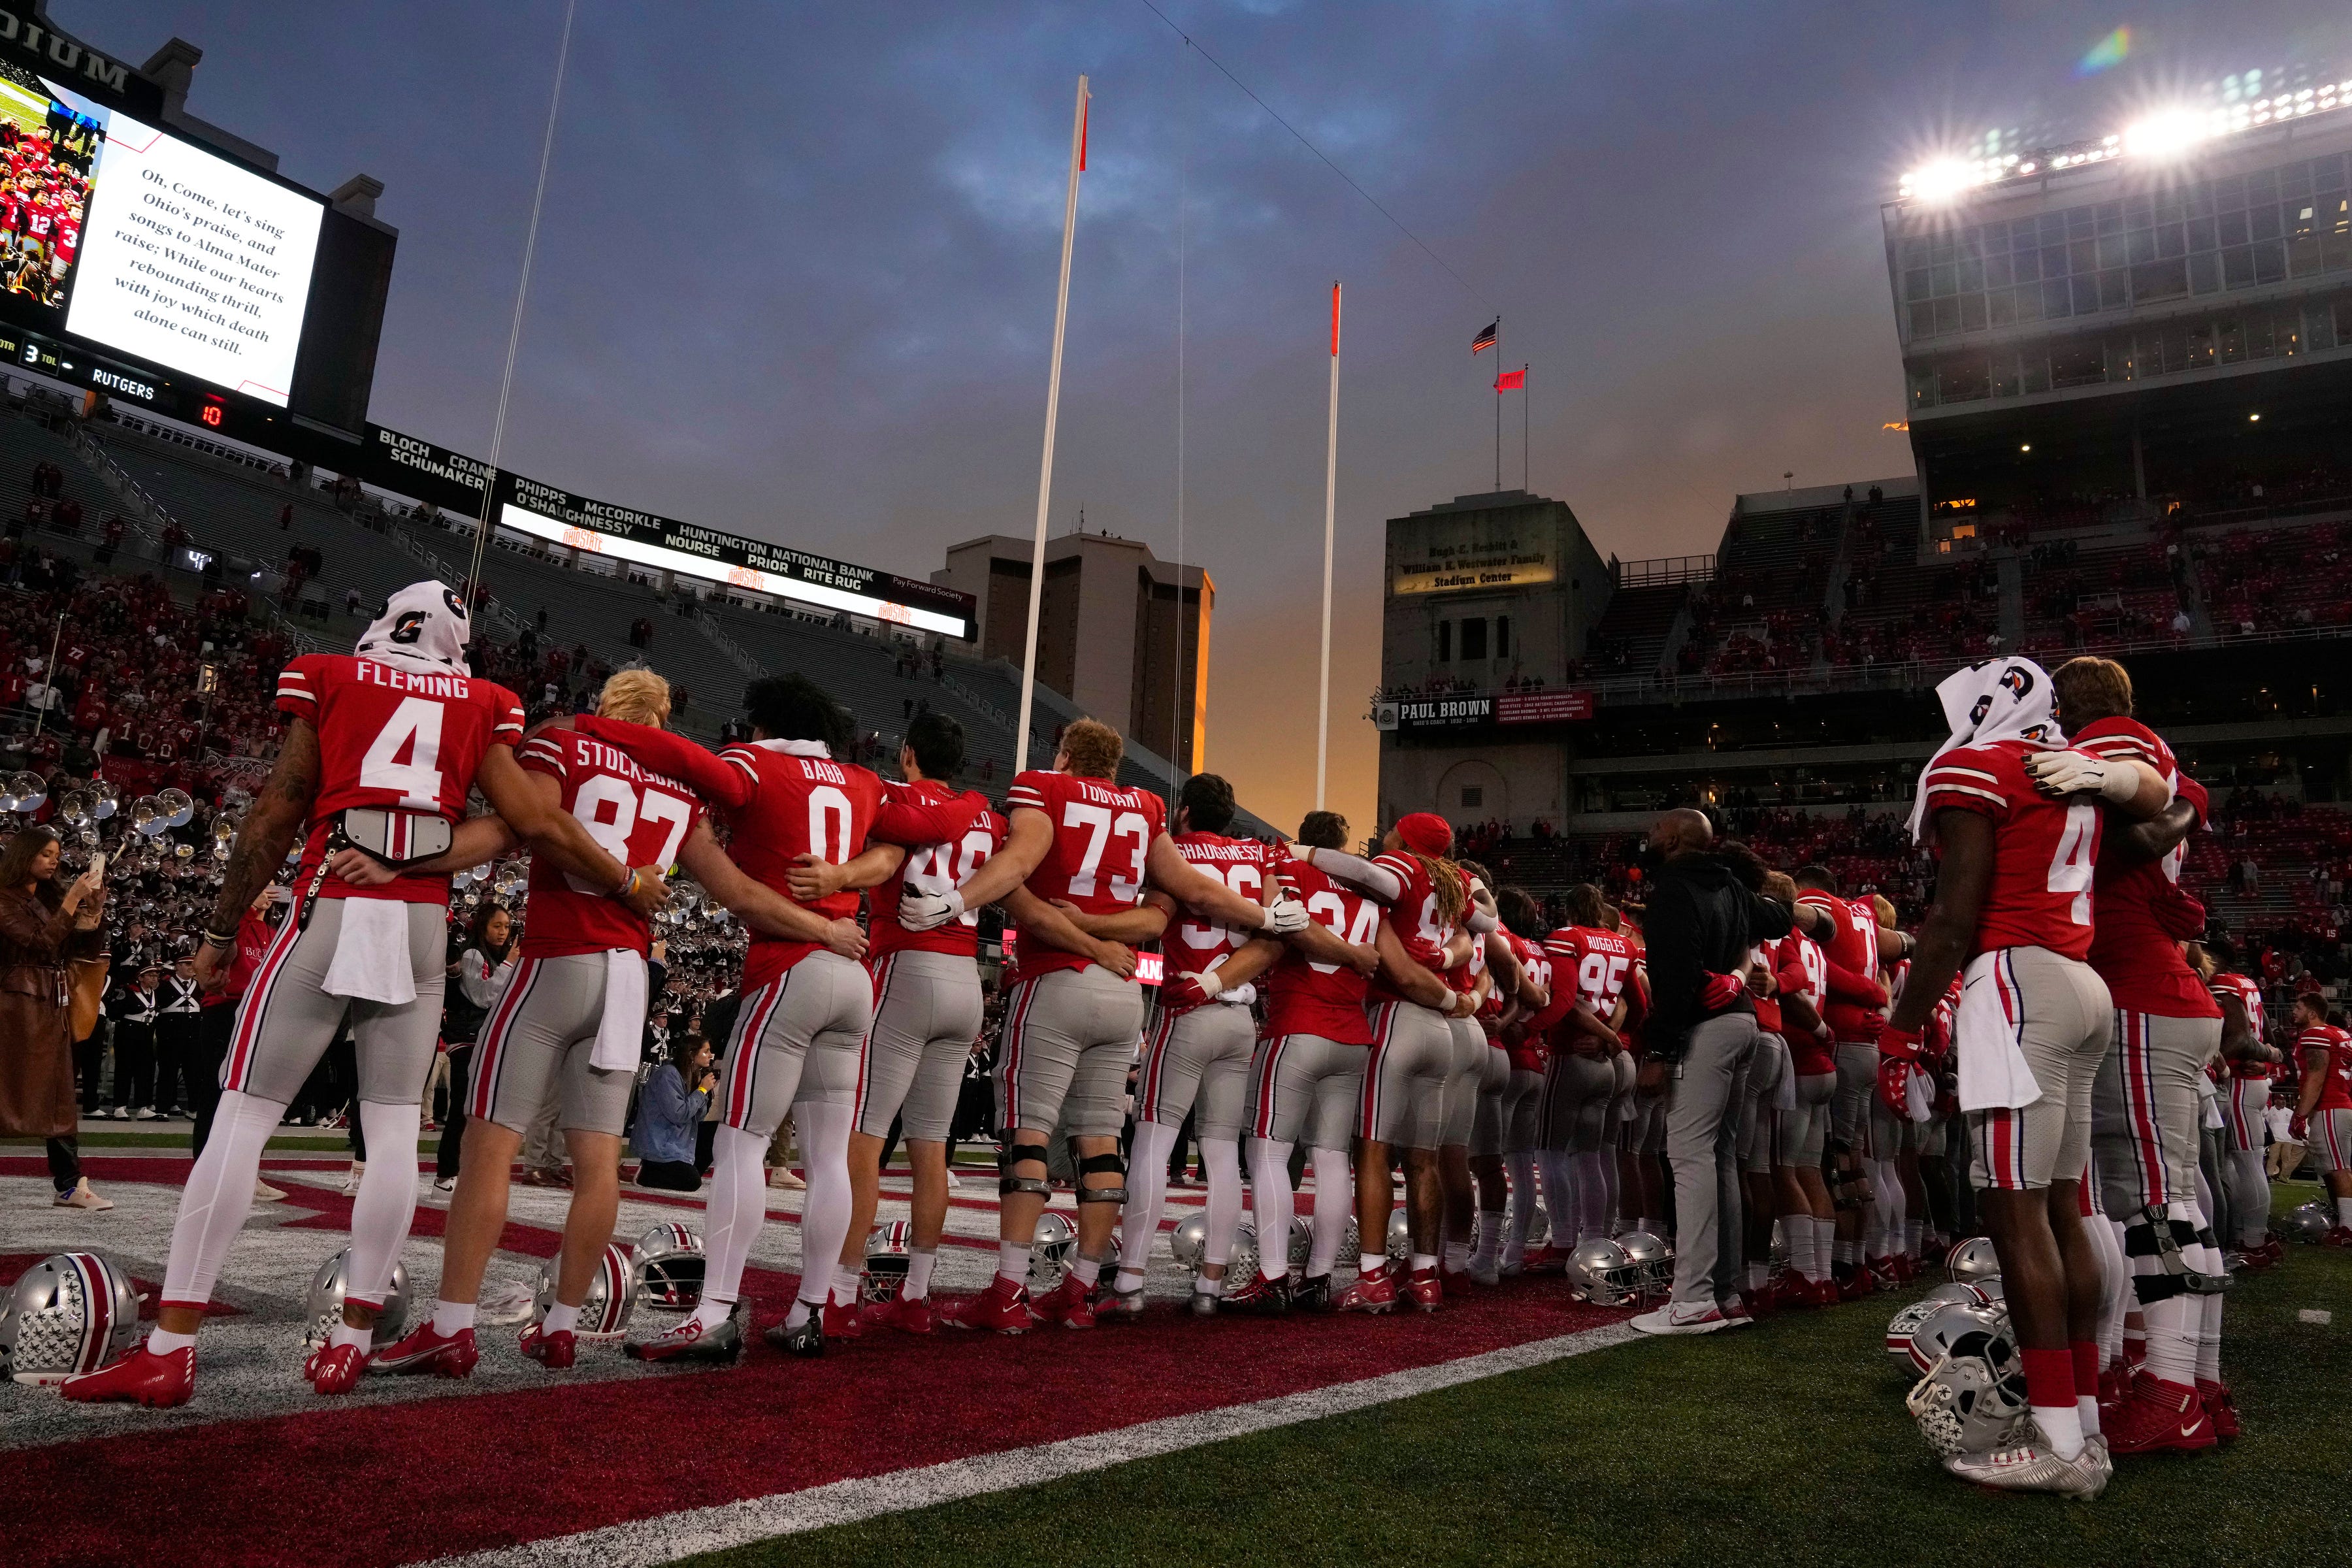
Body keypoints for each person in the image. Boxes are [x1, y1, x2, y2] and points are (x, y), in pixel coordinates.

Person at [64, 581, 661, 1408]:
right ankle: (352, 1340)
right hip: (419, 925)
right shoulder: (484, 700)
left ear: (386, 622)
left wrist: (217, 931)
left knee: (241, 1117)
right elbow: (531, 822)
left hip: (334, 905)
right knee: (390, 1136)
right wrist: (617, 879)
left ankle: (172, 1347)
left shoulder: (335, 675)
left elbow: (276, 814)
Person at [372, 668, 782, 1375]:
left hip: (560, 957)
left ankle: (452, 1325)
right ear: (662, 716)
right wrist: (824, 924)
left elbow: (526, 824)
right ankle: (563, 1326)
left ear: (606, 707)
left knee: (488, 1146)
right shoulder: (681, 792)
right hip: (627, 975)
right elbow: (739, 891)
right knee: (599, 1165)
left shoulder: (567, 743)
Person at [570, 672, 980, 1360]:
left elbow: (681, 761)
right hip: (853, 976)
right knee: (828, 1161)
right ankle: (812, 1310)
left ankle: (715, 1312)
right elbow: (937, 824)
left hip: (788, 967)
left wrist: (585, 727)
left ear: (760, 723)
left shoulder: (752, 765)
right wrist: (857, 872)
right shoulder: (860, 780)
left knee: (740, 1144)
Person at [896, 717, 1304, 1332]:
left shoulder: (1044, 788)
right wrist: (1266, 916)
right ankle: (1083, 1289)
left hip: (1055, 980)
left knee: (1028, 1134)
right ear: (1114, 766)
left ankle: (1009, 1290)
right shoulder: (1143, 806)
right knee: (1101, 1139)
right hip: (1121, 994)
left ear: (1064, 754)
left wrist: (959, 900)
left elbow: (1021, 863)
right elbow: (1193, 890)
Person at [1878, 657, 2164, 1496]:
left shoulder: (1981, 766)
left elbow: (1952, 920)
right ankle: (2081, 1421)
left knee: (2014, 1214)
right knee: (2063, 1207)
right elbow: (2163, 807)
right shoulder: (2074, 773)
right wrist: (2114, 773)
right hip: (2081, 983)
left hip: (2017, 986)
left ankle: (2060, 1442)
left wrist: (1900, 1034)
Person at [785, 711, 1013, 1335]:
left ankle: (840, 1292)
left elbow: (884, 857)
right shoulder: (986, 815)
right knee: (931, 1147)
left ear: (909, 753)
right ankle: (915, 1294)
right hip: (967, 979)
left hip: (906, 970)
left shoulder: (901, 801)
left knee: (863, 1138)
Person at [2056, 656, 2234, 1450]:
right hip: (2160, 987)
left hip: (2137, 991)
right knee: (2179, 1199)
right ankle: (2195, 1379)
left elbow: (2135, 814)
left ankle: (2170, 1389)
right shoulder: (2165, 760)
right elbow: (2172, 812)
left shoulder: (2110, 742)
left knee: (2153, 1203)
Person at [1632, 811, 1821, 1333]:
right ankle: (1728, 1289)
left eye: (1654, 830)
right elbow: (1780, 918)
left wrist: (1657, 1054)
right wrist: (1741, 971)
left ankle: (1693, 1298)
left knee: (1690, 1157)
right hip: (1745, 1028)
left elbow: (1674, 979)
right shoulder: (1733, 885)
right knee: (1719, 1161)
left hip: (1705, 1029)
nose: (1649, 837)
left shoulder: (1672, 888)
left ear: (1671, 838)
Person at [1231, 810, 1382, 1313]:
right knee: (1333, 1157)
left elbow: (1292, 928)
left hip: (1300, 1024)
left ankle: (1274, 1278)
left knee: (1269, 1152)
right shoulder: (1370, 891)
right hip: (1353, 1033)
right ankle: (1319, 1279)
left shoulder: (1291, 869)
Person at [0, 824, 109, 1210]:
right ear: (23, 855)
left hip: (51, 1000)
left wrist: (92, 914)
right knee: (16, 1088)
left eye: (56, 855)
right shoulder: (4, 898)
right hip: (16, 1004)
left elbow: (79, 950)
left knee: (60, 1090)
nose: (54, 860)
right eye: (46, 853)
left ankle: (70, 1182)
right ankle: (68, 1182)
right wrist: (71, 901)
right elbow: (39, 942)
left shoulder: (48, 898)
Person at [434, 904, 515, 1190]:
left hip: (487, 1039)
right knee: (462, 1108)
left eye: (506, 926)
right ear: (483, 926)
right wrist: (509, 965)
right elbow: (481, 997)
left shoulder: (499, 956)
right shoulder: (472, 954)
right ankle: (445, 1176)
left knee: (485, 1111)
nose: (503, 932)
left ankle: (471, 1173)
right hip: (467, 1039)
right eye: (497, 926)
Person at [2291, 994, 2352, 1243]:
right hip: (2338, 1105)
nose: (2293, 1011)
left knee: (2338, 1170)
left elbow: (2317, 1075)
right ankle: (2344, 1221)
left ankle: (2348, 1228)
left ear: (2313, 1013)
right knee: (2332, 1168)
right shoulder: (2338, 1034)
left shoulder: (2316, 1034)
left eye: (2298, 1007)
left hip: (2330, 1107)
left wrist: (2300, 1114)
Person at [636, 1032, 715, 1192]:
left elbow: (699, 1117)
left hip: (678, 1141)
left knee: (716, 1131)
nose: (711, 1056)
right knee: (692, 1183)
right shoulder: (668, 1074)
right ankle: (647, 1174)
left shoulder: (691, 1075)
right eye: (705, 1052)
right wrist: (701, 1090)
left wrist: (703, 1090)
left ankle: (685, 1171)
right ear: (692, 1054)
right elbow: (678, 1115)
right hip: (661, 1144)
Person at [104, 960, 161, 1120]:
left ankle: (143, 1106)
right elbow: (114, 1012)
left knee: (145, 1071)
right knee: (125, 1070)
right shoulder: (129, 991)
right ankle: (120, 1106)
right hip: (129, 1032)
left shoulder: (155, 993)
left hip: (147, 1033)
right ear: (140, 977)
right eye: (150, 975)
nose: (154, 978)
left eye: (156, 975)